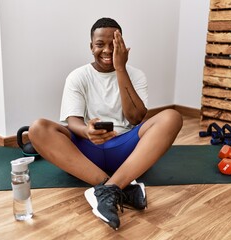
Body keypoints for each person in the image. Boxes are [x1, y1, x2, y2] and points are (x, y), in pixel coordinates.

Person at [29, 17, 183, 230]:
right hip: (87, 151)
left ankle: (107, 189)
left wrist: (121, 69)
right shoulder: (78, 76)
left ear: (122, 45)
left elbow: (136, 118)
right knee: (37, 128)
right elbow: (72, 121)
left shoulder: (136, 75)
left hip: (126, 150)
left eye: (113, 44)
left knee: (172, 117)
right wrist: (87, 131)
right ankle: (116, 186)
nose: (107, 50)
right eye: (100, 44)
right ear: (91, 47)